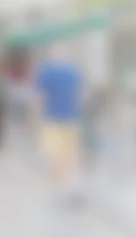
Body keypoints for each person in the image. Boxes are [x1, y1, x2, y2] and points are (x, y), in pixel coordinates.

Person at [34, 43, 83, 205]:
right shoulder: (74, 72)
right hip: (71, 118)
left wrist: (35, 120)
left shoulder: (45, 72)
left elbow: (40, 98)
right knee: (71, 155)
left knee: (55, 155)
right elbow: (81, 96)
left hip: (51, 119)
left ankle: (59, 189)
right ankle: (69, 187)